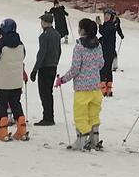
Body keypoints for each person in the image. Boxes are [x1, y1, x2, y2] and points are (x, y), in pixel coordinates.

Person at [57, 17, 105, 151]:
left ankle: (81, 139)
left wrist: (63, 79)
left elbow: (75, 69)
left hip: (82, 88)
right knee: (93, 113)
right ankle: (94, 138)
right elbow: (101, 63)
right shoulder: (98, 45)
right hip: (95, 87)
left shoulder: (79, 47)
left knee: (81, 115)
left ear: (82, 30)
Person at [0, 19, 29, 142]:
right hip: (16, 81)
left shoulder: (1, 43)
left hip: (4, 81)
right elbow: (23, 56)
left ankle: (3, 130)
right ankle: (22, 130)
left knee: (2, 105)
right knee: (16, 104)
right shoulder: (21, 44)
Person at [31, 12, 61, 127]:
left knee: (43, 93)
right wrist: (55, 62)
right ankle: (50, 116)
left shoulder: (44, 36)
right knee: (49, 92)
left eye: (42, 21)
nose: (41, 23)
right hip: (53, 66)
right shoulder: (57, 34)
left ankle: (47, 117)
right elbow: (59, 51)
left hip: (44, 67)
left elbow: (41, 53)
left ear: (45, 22)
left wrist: (35, 69)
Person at [98, 9, 123, 97]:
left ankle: (104, 89)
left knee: (103, 69)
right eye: (105, 15)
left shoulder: (110, 25)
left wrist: (99, 25)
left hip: (107, 51)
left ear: (111, 17)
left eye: (108, 15)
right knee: (108, 69)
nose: (106, 17)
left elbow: (104, 33)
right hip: (109, 50)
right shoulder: (110, 24)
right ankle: (108, 89)